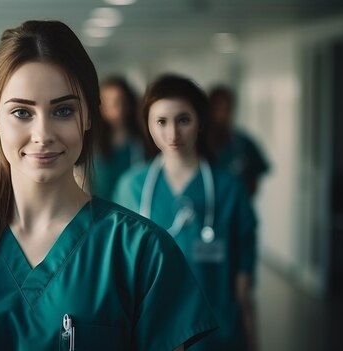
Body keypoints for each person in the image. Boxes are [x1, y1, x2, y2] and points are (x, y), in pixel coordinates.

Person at [0, 21, 217, 351]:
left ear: (87, 117)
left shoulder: (143, 252)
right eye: (22, 113)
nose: (42, 135)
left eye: (63, 111)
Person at [113, 74, 258, 351]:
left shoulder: (228, 188)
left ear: (201, 122)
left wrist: (251, 336)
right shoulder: (131, 186)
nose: (173, 134)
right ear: (147, 125)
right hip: (150, 328)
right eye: (161, 122)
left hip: (216, 331)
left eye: (183, 120)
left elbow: (243, 279)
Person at [208, 86, 269, 197]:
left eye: (227, 109)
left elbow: (254, 183)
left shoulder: (245, 144)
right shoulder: (198, 146)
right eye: (218, 109)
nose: (223, 115)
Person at [92, 76, 145, 199]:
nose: (115, 107)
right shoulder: (91, 144)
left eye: (119, 101)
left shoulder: (141, 142)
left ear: (128, 103)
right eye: (108, 102)